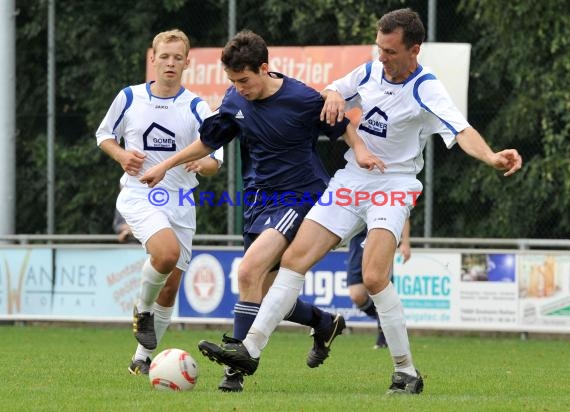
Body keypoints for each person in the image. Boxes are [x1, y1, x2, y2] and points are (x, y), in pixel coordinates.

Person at [196, 8, 522, 395]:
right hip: (352, 178)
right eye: (378, 48)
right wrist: (334, 94)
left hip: (394, 183)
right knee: (294, 259)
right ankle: (249, 350)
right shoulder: (369, 71)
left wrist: (490, 157)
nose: (381, 57)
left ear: (414, 49)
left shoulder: (427, 88)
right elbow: (333, 90)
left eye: (390, 51)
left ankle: (406, 372)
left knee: (372, 277)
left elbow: (461, 130)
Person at [139, 30, 383, 392]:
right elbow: (209, 140)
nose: (238, 87)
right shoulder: (235, 99)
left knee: (249, 269)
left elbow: (342, 124)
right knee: (267, 295)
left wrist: (360, 149)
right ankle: (324, 322)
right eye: (232, 80)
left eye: (244, 80)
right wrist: (166, 165)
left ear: (265, 69)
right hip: (257, 201)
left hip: (299, 196)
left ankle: (235, 369)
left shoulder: (300, 98)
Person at [95, 29, 224, 376]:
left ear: (187, 62)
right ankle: (142, 309)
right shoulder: (129, 97)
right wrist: (122, 156)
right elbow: (104, 135)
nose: (170, 63)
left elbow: (215, 159)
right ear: (152, 58)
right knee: (165, 254)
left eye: (177, 57)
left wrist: (204, 164)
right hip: (139, 195)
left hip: (181, 201)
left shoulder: (196, 106)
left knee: (171, 287)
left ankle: (141, 358)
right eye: (163, 56)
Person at [348, 218, 410, 349]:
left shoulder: (388, 198)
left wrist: (405, 242)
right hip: (357, 242)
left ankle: (384, 335)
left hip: (382, 238)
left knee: (380, 290)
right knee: (357, 295)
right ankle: (388, 320)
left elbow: (404, 214)